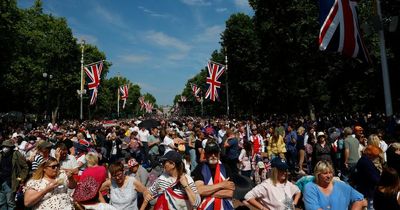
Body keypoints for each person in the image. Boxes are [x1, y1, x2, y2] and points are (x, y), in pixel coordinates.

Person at [192, 140, 235, 209]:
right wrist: (222, 185)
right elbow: (199, 190)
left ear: (219, 154)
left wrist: (207, 192)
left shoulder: (225, 167)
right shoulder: (200, 168)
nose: (213, 155)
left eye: (215, 152)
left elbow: (229, 193)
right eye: (210, 153)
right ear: (205, 155)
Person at [0, 140, 29, 209]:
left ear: (11, 147)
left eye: (7, 147)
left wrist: (20, 178)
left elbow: (25, 167)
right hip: (1, 182)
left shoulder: (16, 154)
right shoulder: (1, 155)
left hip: (11, 182)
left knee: (10, 202)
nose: (5, 148)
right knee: (1, 202)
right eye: (4, 146)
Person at [355, 145, 382, 209]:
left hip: (365, 188)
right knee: (371, 207)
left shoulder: (363, 160)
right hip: (368, 189)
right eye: (375, 156)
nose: (376, 157)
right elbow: (373, 177)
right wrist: (381, 182)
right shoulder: (366, 162)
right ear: (371, 154)